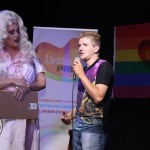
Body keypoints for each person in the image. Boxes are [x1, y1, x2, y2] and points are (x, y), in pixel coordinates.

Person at [0, 10, 46, 150]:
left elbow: (42, 82)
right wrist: (12, 81)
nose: (16, 35)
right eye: (11, 32)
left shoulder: (30, 53)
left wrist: (27, 86)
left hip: (25, 113)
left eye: (18, 31)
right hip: (4, 115)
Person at [61, 31, 114, 150]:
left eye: (85, 45)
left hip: (93, 127)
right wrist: (70, 115)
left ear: (96, 48)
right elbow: (85, 100)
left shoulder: (103, 66)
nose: (80, 48)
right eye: (79, 45)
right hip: (78, 126)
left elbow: (98, 97)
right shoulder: (84, 70)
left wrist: (81, 75)